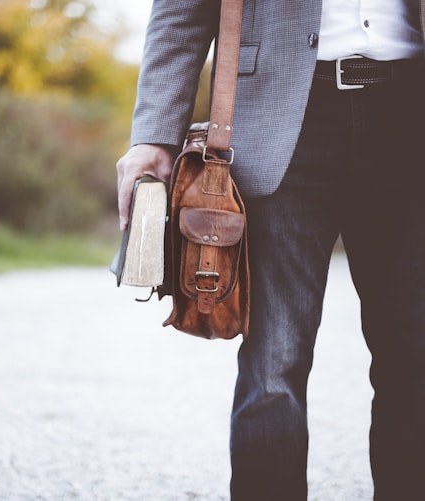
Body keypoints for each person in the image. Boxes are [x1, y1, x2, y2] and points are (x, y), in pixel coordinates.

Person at [116, 1, 425, 499]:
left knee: (417, 357)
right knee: (273, 365)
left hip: (412, 116)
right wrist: (155, 133)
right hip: (282, 120)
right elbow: (181, 11)